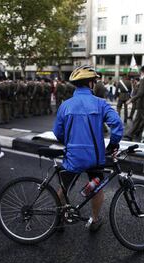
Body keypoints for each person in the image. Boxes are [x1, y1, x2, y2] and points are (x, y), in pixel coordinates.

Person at [53, 65, 123, 232]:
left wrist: (69, 142)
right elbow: (117, 125)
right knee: (97, 188)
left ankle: (58, 219)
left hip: (73, 156)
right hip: (94, 157)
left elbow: (57, 132)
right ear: (91, 83)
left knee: (63, 188)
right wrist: (113, 144)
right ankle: (94, 220)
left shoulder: (65, 106)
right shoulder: (100, 104)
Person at [124, 65, 144, 143]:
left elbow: (140, 93)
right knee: (137, 120)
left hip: (142, 102)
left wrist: (131, 100)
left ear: (141, 71)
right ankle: (130, 134)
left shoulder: (143, 80)